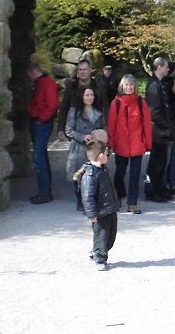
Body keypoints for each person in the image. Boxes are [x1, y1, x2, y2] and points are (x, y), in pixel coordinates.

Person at [106, 73, 151, 213]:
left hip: (137, 143)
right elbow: (111, 125)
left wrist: (147, 143)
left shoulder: (140, 102)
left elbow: (147, 124)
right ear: (122, 86)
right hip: (121, 144)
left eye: (131, 84)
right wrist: (110, 144)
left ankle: (132, 203)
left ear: (135, 86)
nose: (129, 87)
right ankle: (119, 196)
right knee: (119, 173)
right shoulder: (116, 103)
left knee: (135, 174)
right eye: (126, 84)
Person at [78, 139, 119, 269]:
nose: (108, 156)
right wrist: (91, 214)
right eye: (107, 153)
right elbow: (87, 197)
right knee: (102, 235)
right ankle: (100, 257)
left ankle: (97, 250)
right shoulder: (90, 175)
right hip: (101, 212)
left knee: (111, 234)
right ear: (101, 156)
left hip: (109, 208)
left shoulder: (102, 170)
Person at [64, 85, 107, 210]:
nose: (89, 97)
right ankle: (81, 201)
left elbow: (104, 127)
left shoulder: (99, 112)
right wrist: (83, 136)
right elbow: (69, 130)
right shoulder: (75, 111)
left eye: (91, 95)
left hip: (95, 147)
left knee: (96, 174)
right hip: (79, 148)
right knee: (80, 175)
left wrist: (100, 135)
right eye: (87, 95)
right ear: (82, 97)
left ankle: (93, 200)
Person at [143, 57, 175, 203]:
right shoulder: (154, 86)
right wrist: (166, 125)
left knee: (161, 162)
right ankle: (151, 190)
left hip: (160, 130)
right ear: (160, 67)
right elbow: (154, 111)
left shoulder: (159, 84)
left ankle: (158, 189)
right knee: (156, 162)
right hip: (158, 131)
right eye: (166, 66)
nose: (168, 69)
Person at [26, 62, 58, 203]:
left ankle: (44, 191)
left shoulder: (47, 83)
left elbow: (53, 105)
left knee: (38, 158)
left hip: (42, 123)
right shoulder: (41, 83)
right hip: (38, 122)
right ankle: (45, 190)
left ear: (33, 73)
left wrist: (41, 119)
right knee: (41, 157)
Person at [57, 59, 108, 138]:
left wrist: (107, 127)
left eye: (85, 69)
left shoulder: (99, 86)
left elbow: (105, 107)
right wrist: (60, 128)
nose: (82, 72)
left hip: (95, 126)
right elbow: (64, 107)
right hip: (76, 127)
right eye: (80, 70)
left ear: (90, 70)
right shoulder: (71, 87)